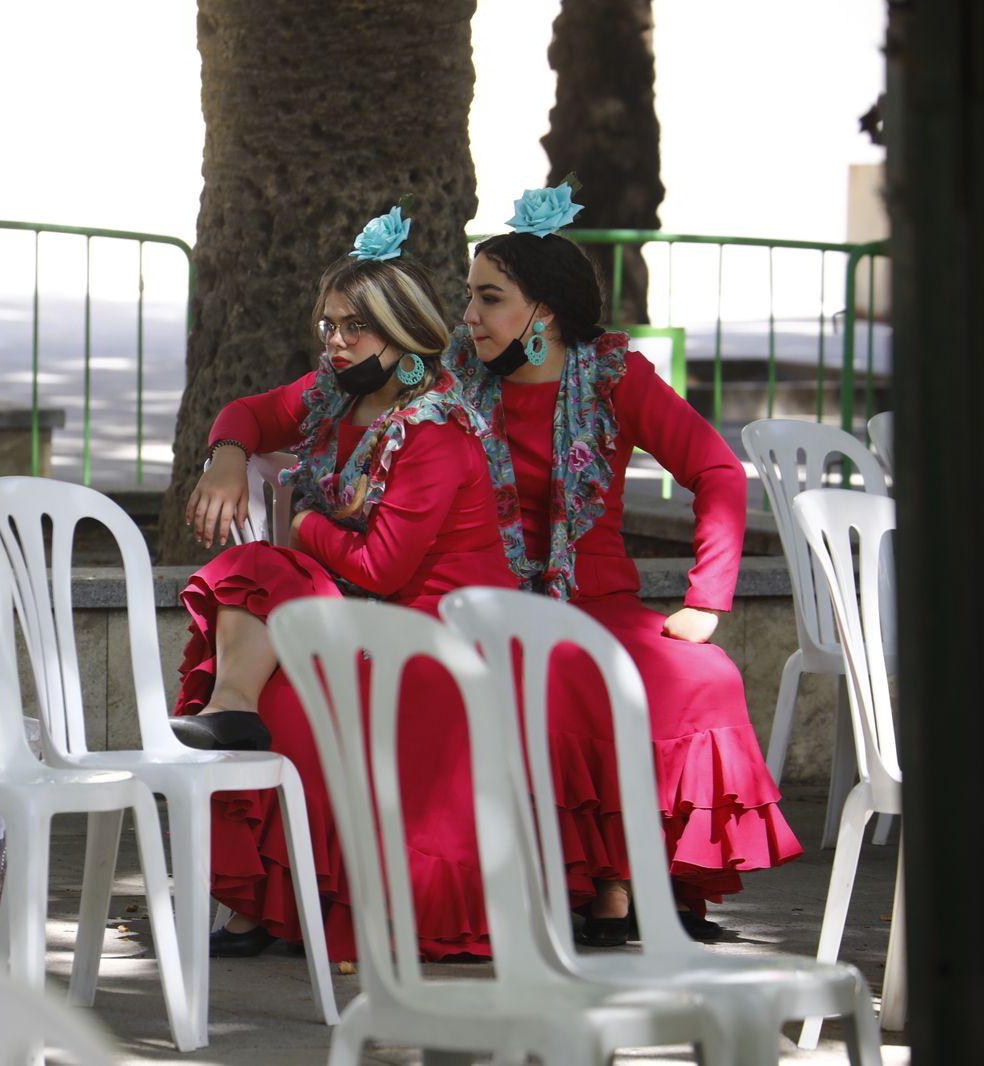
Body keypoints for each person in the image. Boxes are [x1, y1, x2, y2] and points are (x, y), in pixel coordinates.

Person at [172, 204, 574, 962]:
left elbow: (383, 564)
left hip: (438, 638)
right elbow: (251, 412)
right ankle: (264, 904)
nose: (336, 341)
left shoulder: (435, 433)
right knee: (276, 698)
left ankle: (285, 872)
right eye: (328, 325)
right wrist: (226, 456)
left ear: (406, 338)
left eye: (356, 327)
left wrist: (302, 527)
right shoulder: (335, 400)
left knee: (264, 578)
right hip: (365, 618)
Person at [451, 179, 802, 944]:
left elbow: (716, 471)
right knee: (558, 676)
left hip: (599, 599)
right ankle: (602, 887)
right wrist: (231, 450)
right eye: (470, 298)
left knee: (706, 677)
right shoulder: (451, 382)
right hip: (487, 600)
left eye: (488, 298)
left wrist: (708, 598)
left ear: (541, 312)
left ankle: (662, 884)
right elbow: (306, 406)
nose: (469, 316)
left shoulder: (615, 378)